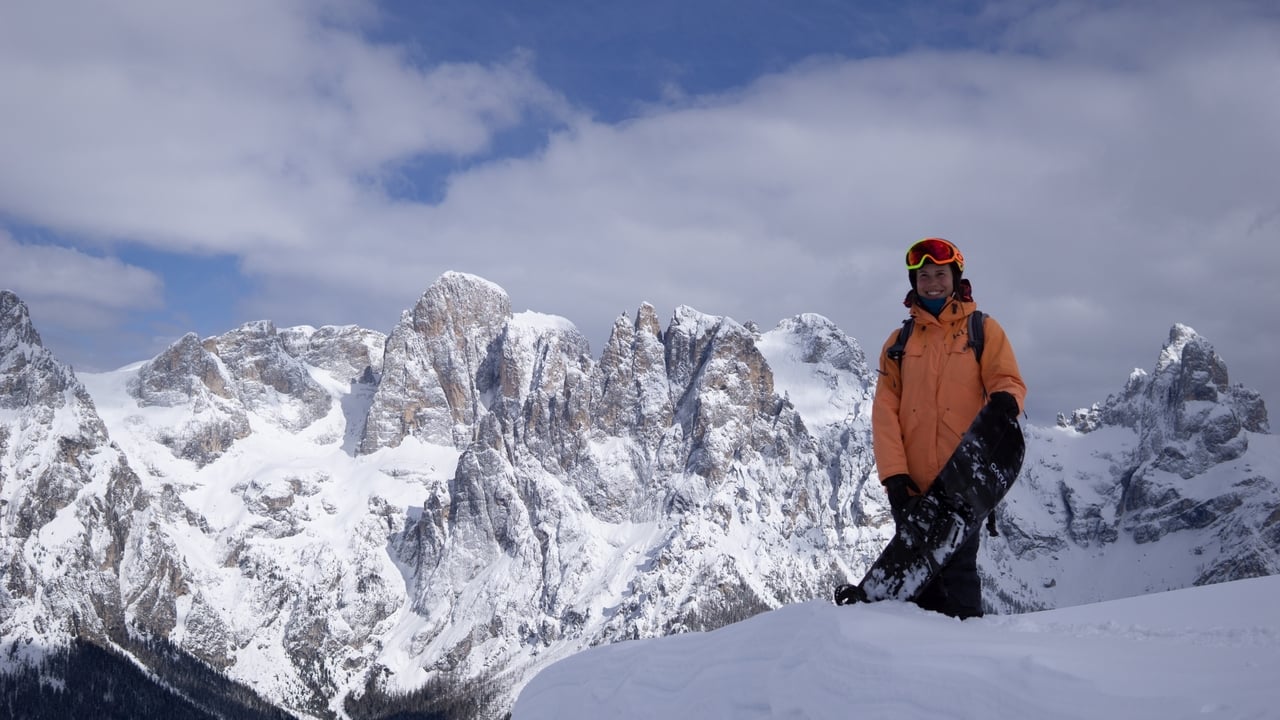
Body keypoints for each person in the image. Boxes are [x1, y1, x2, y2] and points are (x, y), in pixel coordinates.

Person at [871, 237, 1027, 619]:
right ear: (914, 282)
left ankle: (963, 661)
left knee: (958, 577)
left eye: (940, 274)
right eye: (923, 276)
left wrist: (1006, 401)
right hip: (914, 487)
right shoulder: (899, 343)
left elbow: (1005, 377)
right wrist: (894, 477)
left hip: (962, 484)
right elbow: (885, 412)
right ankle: (914, 668)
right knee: (915, 584)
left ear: (956, 278)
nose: (932, 282)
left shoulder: (983, 330)